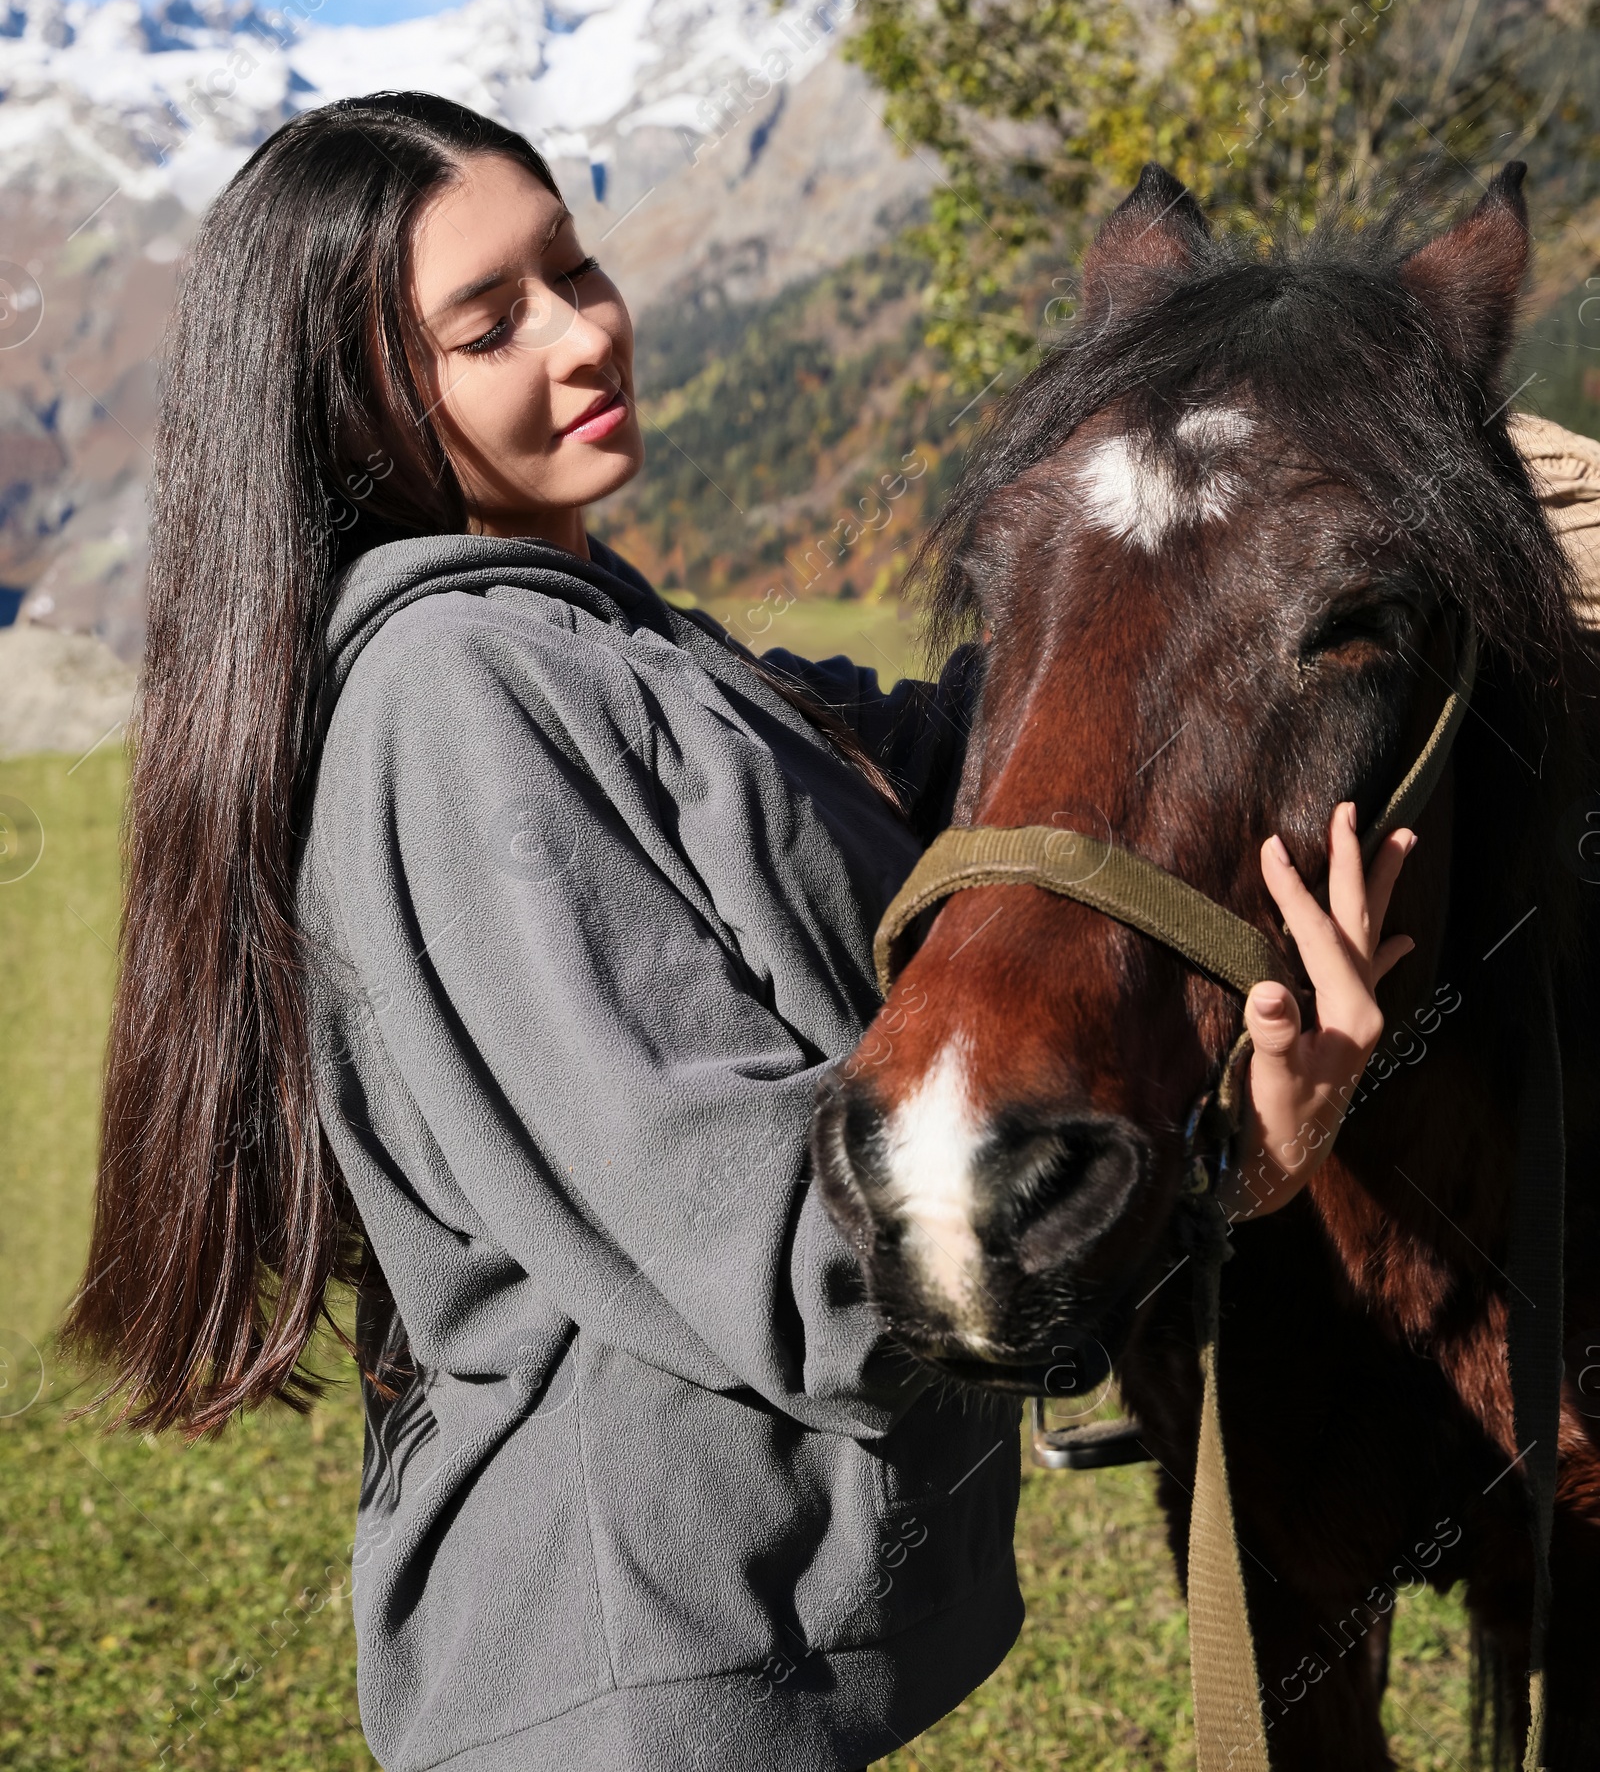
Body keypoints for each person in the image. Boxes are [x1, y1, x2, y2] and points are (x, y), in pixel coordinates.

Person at [68, 93, 1414, 1772]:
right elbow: (786, 1262)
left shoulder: (635, 646)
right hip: (616, 1686)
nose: (581, 334)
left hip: (725, 1670)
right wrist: (1222, 1171)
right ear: (360, 410)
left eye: (574, 265)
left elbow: (968, 763)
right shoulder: (454, 698)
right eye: (491, 325)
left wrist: (1309, 492)